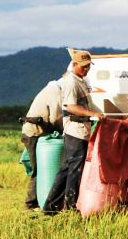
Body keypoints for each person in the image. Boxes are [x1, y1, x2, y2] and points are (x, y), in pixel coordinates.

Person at [43, 51, 104, 214]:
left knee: (67, 170)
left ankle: (50, 207)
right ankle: (70, 207)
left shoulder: (82, 81)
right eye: (83, 67)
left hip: (81, 131)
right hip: (75, 131)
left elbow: (87, 104)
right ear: (75, 65)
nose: (86, 69)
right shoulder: (71, 82)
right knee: (75, 171)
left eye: (88, 66)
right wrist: (92, 115)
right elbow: (71, 107)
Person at [21, 79, 64, 210]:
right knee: (39, 169)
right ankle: (31, 204)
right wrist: (65, 130)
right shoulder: (56, 91)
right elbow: (56, 118)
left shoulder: (51, 88)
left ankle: (39, 201)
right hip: (35, 132)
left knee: (41, 168)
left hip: (33, 132)